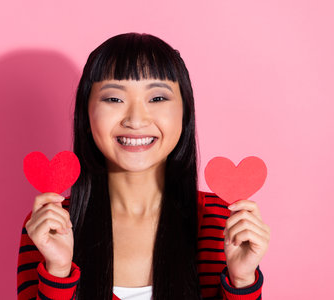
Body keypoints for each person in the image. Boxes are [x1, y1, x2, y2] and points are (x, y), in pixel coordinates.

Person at [17, 33, 270, 299]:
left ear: (185, 113)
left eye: (158, 98)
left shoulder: (224, 221)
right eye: (114, 99)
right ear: (86, 115)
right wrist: (58, 271)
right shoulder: (50, 224)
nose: (136, 120)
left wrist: (242, 280)